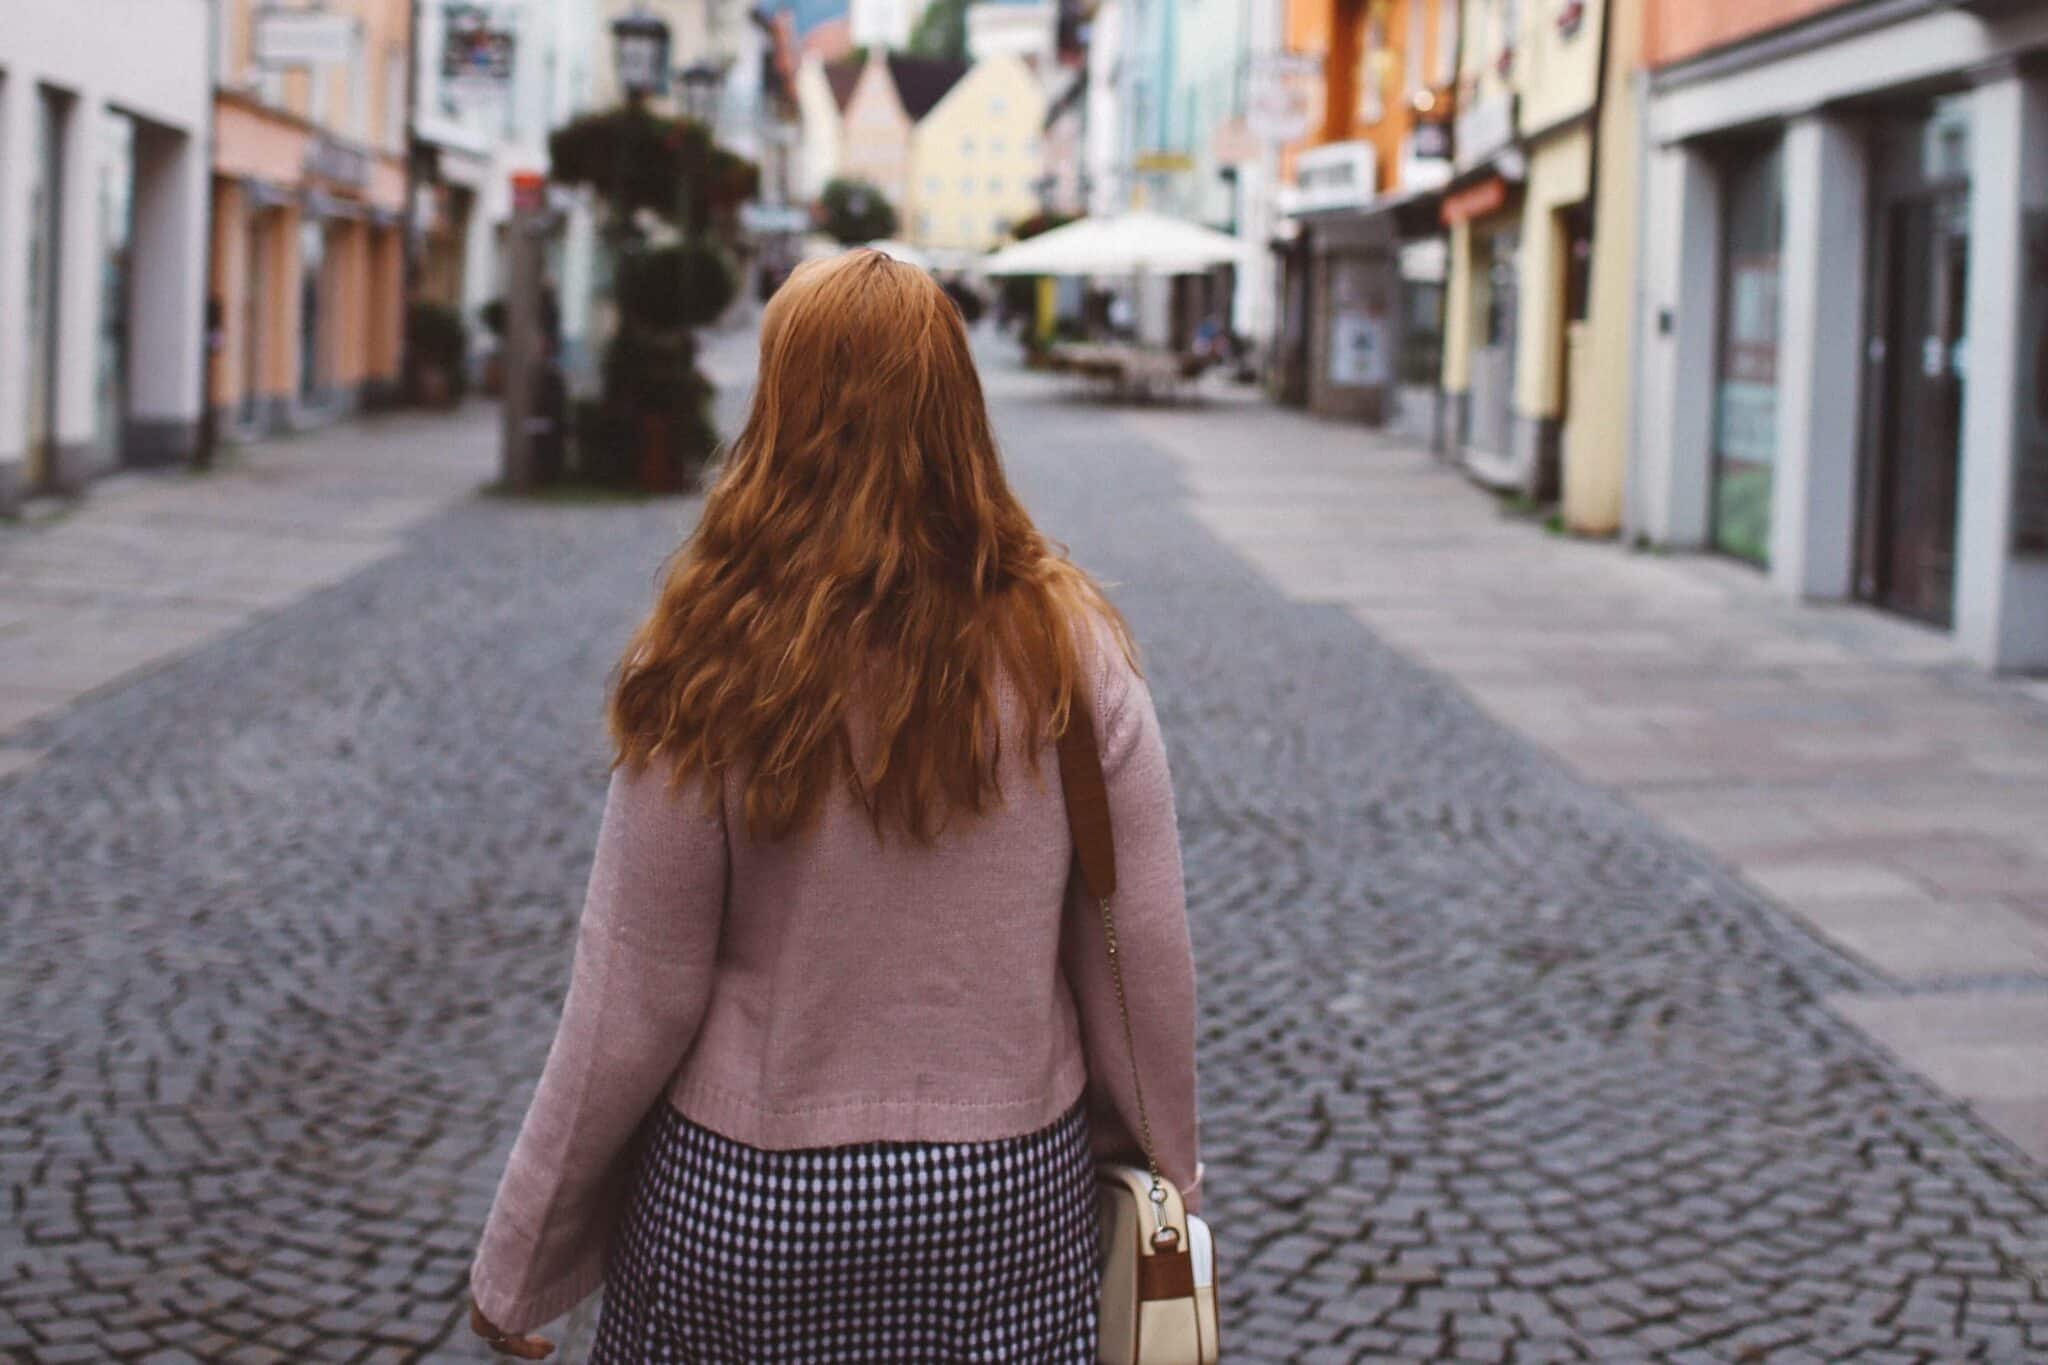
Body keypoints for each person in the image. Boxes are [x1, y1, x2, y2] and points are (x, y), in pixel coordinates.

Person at [467, 249, 1201, 1362]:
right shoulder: (1067, 649)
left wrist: (522, 1261)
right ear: (960, 410)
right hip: (1001, 1198)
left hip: (745, 1194)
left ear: (777, 410)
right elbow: (1136, 954)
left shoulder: (710, 649)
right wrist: (1170, 1186)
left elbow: (633, 987)